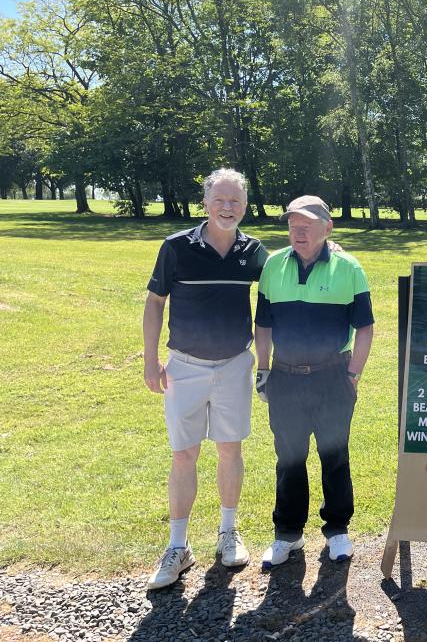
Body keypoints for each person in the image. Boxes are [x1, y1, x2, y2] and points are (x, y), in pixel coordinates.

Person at [142, 168, 268, 590]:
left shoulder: (254, 251)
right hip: (185, 366)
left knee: (230, 449)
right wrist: (150, 360)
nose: (227, 208)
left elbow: (285, 277)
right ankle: (178, 546)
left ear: (245, 206)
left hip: (234, 364)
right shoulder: (176, 247)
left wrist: (328, 246)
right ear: (206, 203)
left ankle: (228, 532)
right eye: (220, 200)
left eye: (235, 201)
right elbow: (155, 302)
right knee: (184, 454)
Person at [254, 195, 374, 568]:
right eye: (293, 226)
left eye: (307, 226)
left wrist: (353, 373)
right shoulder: (274, 266)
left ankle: (337, 530)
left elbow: (365, 327)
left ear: (327, 228)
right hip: (285, 377)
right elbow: (263, 325)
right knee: (289, 458)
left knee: (334, 455)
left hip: (333, 377)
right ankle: (288, 534)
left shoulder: (349, 268)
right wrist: (263, 369)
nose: (298, 232)